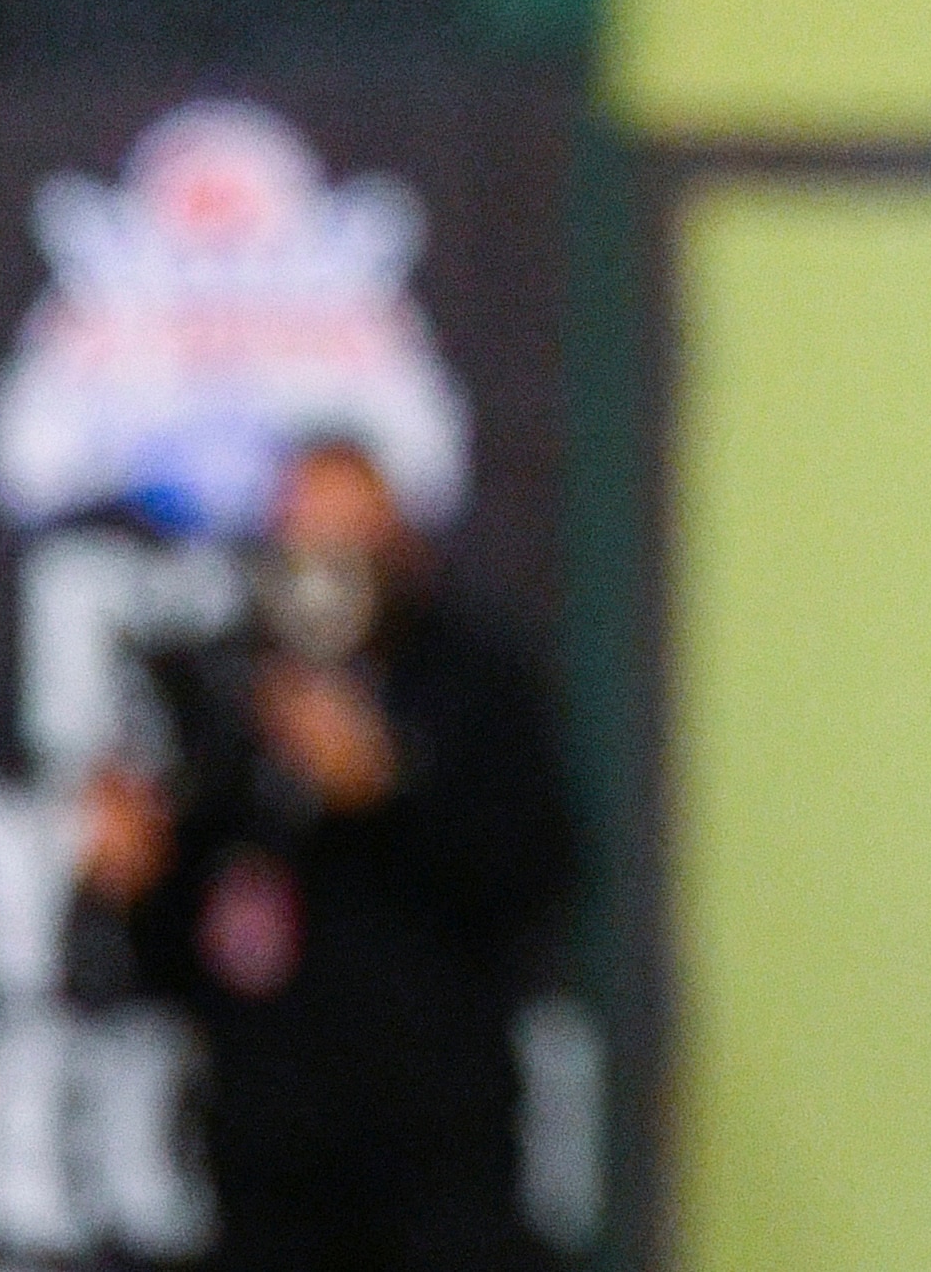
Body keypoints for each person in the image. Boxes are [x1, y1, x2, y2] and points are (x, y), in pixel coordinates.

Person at [76, 436, 578, 1272]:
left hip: (437, 1167)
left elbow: (534, 880)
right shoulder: (225, 697)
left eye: (353, 548)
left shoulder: (477, 686)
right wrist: (139, 882)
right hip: (272, 1175)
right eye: (303, 547)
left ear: (403, 549)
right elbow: (177, 958)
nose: (326, 576)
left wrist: (385, 790)